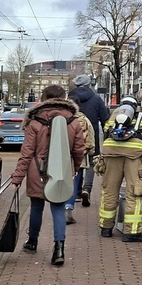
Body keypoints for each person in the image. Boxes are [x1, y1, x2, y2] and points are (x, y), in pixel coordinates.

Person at [10, 85, 85, 266]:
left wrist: (18, 177)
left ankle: (32, 242)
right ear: (64, 97)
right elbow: (79, 149)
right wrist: (73, 167)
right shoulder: (73, 121)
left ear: (44, 97)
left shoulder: (35, 121)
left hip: (37, 169)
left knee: (36, 206)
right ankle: (59, 249)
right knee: (58, 208)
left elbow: (26, 153)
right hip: (61, 168)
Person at [99, 93, 142, 242]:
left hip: (111, 149)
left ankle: (106, 227)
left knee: (109, 190)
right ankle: (132, 232)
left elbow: (106, 129)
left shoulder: (117, 111)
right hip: (135, 153)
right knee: (135, 191)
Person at [68, 74, 110, 208]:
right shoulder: (97, 99)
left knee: (77, 162)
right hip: (92, 136)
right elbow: (105, 119)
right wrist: (108, 137)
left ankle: (77, 192)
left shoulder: (70, 98)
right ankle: (87, 188)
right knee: (92, 162)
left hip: (74, 136)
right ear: (89, 85)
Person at [63, 93, 97, 225]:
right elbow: (91, 138)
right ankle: (68, 209)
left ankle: (59, 206)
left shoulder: (60, 118)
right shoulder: (84, 119)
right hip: (79, 156)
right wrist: (89, 152)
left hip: (62, 155)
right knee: (74, 182)